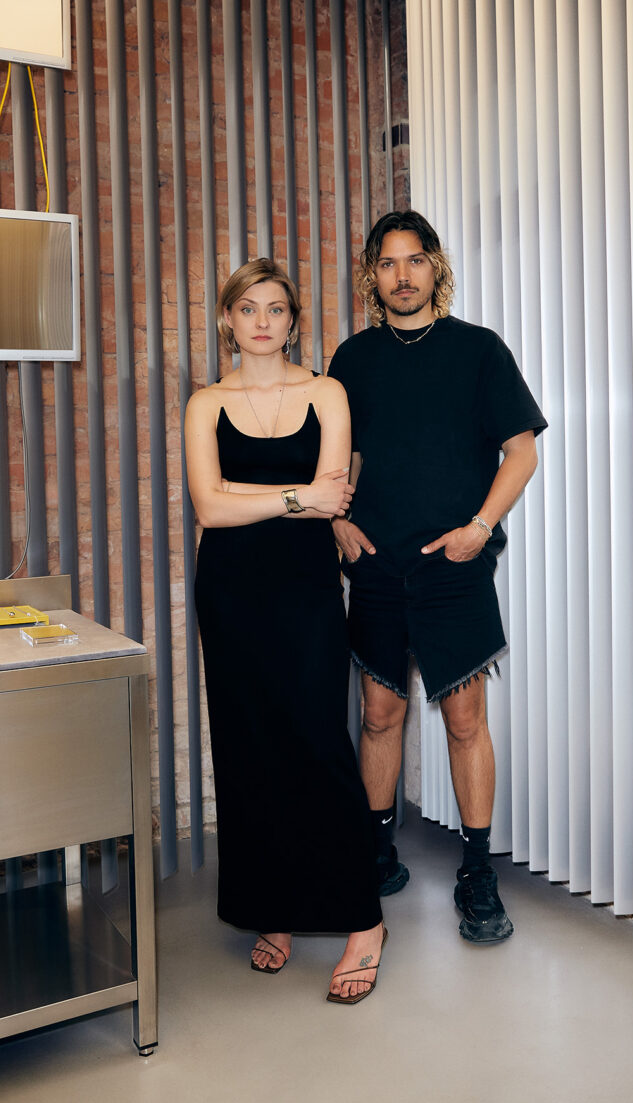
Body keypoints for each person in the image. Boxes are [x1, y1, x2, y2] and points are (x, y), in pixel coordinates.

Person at [328, 210, 547, 943]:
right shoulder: (351, 361)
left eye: (414, 259)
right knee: (380, 716)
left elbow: (521, 452)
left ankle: (476, 870)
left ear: (435, 267)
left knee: (464, 721)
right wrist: (336, 521)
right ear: (372, 276)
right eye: (387, 263)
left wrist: (480, 529)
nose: (402, 275)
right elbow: (338, 462)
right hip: (380, 566)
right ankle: (376, 850)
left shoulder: (480, 351)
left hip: (455, 566)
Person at [185, 257, 386, 1002]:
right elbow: (208, 508)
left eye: (276, 308)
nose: (262, 320)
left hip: (303, 591)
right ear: (227, 320)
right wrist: (296, 493)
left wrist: (258, 493)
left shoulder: (325, 392)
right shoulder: (204, 404)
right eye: (248, 308)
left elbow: (333, 501)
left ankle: (364, 923)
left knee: (318, 742)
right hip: (230, 593)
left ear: (293, 320)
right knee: (246, 747)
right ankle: (274, 907)